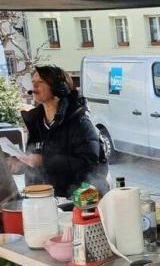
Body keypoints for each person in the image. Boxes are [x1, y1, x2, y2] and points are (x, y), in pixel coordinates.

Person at [8, 65, 109, 198]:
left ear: (59, 88)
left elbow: (88, 163)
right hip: (42, 200)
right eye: (33, 82)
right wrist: (21, 164)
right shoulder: (36, 122)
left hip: (75, 202)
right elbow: (35, 161)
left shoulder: (79, 122)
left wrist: (44, 161)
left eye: (40, 82)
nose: (34, 87)